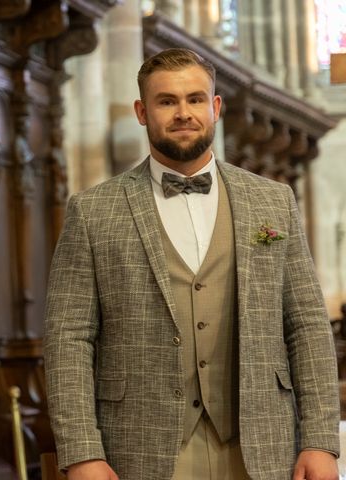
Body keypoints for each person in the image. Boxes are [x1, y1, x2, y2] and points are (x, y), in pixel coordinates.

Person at [44, 48, 340, 480]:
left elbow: (307, 325)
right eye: (167, 102)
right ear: (143, 112)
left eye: (195, 99)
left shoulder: (273, 201)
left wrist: (319, 441)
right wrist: (82, 452)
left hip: (260, 445)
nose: (184, 113)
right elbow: (68, 338)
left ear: (215, 107)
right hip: (142, 447)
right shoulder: (93, 212)